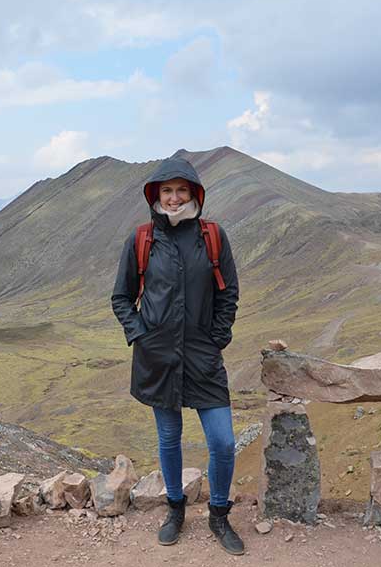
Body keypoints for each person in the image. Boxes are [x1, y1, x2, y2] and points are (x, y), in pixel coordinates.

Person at [111, 157, 243, 555]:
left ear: (194, 194)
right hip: (157, 357)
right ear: (155, 195)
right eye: (166, 191)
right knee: (169, 437)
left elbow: (228, 292)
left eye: (181, 190)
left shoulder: (213, 236)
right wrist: (140, 336)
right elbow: (121, 297)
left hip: (203, 356)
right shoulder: (141, 239)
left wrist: (217, 338)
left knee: (222, 442)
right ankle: (175, 510)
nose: (173, 198)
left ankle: (219, 515)